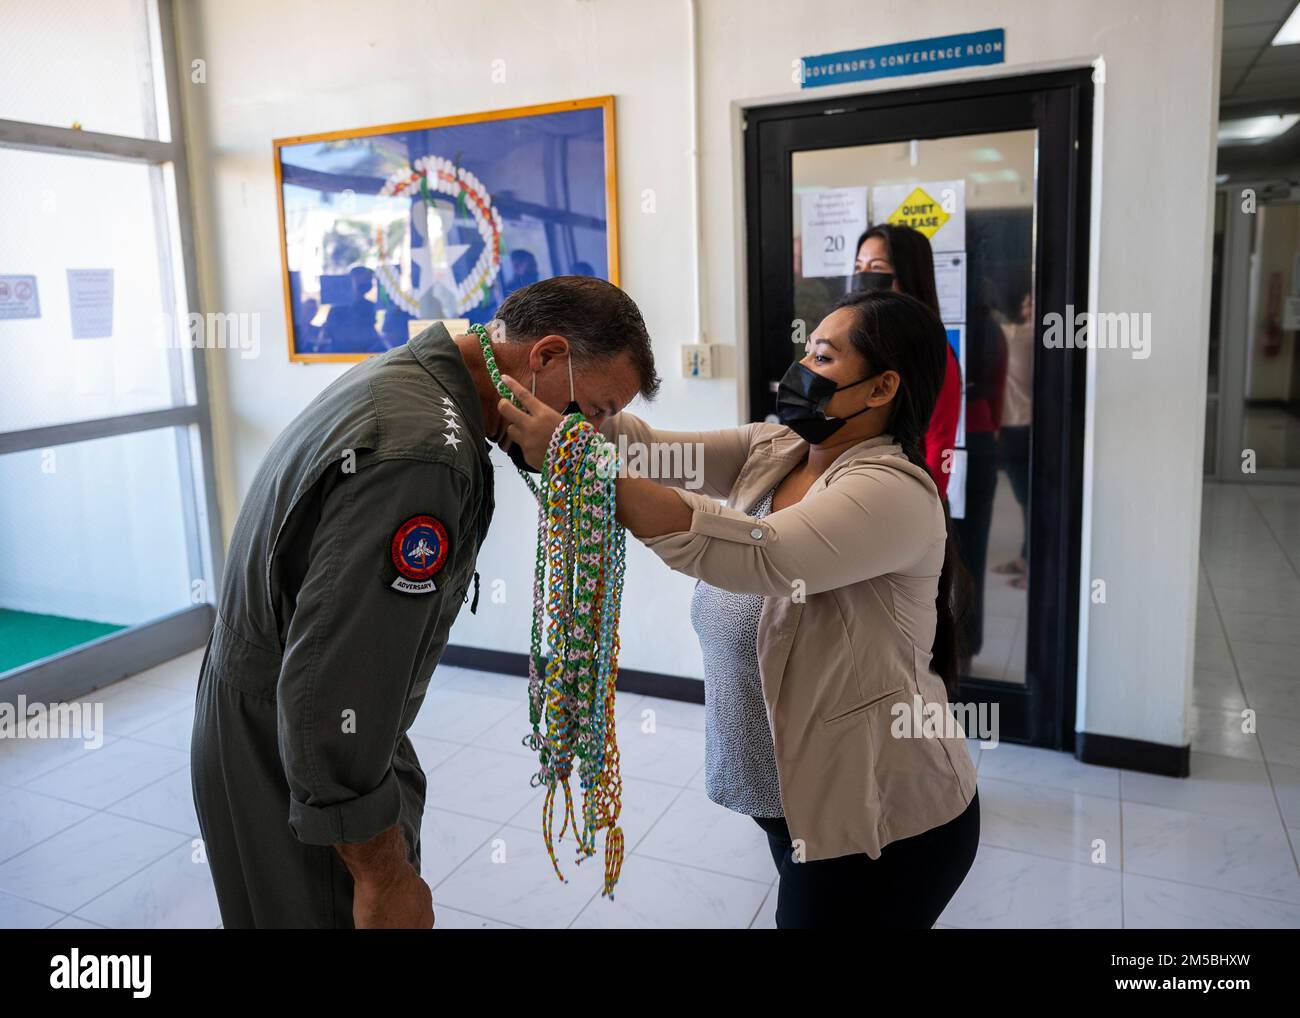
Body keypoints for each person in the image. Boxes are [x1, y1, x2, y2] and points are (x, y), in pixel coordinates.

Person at [499, 288, 980, 929]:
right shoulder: (777, 448)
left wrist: (571, 458)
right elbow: (647, 449)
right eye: (807, 350)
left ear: (881, 387)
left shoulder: (890, 491)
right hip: (793, 803)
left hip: (884, 820)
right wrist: (558, 393)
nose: (801, 370)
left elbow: (762, 555)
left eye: (825, 357)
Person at [191, 276, 659, 929]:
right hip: (295, 749)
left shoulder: (417, 379)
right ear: (546, 357)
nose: (589, 431)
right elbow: (335, 690)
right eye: (598, 408)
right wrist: (383, 878)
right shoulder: (423, 455)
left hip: (302, 725)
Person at [852, 224, 962, 503]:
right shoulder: (856, 344)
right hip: (855, 495)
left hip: (905, 503)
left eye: (876, 267)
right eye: (859, 266)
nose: (864, 276)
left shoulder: (934, 352)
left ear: (907, 277)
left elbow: (940, 444)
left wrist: (927, 510)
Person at [319, 265, 383, 352]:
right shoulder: (337, 308)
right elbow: (327, 335)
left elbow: (370, 334)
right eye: (359, 280)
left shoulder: (368, 306)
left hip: (365, 354)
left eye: (368, 279)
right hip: (340, 357)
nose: (368, 282)